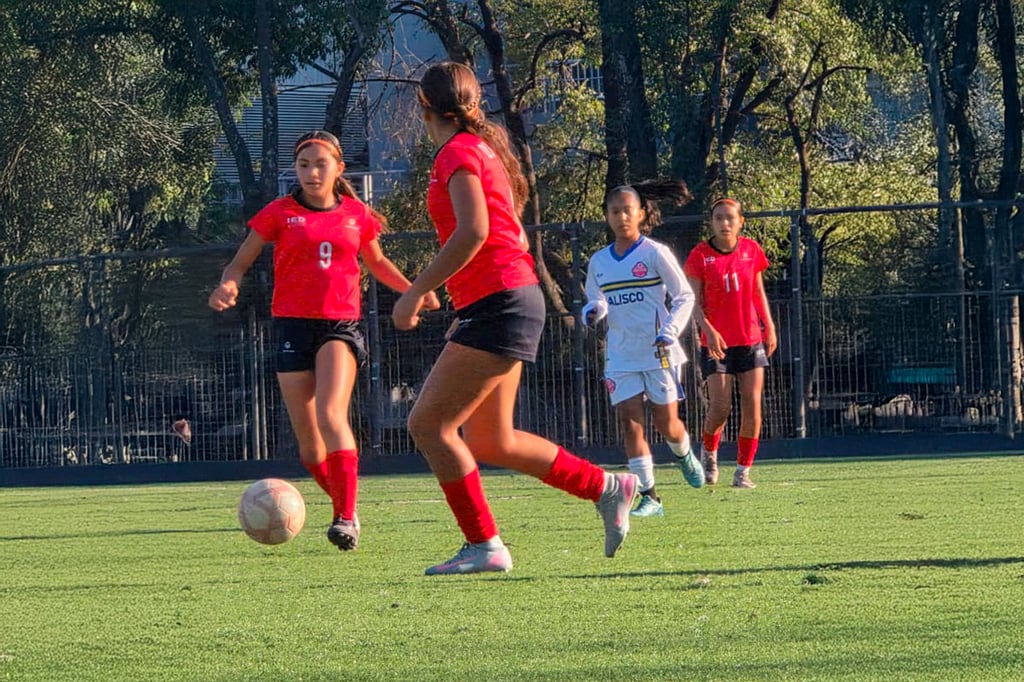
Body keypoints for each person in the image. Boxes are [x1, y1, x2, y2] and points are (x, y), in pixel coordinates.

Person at [391, 61, 639, 575]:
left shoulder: (456, 153)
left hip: (499, 303)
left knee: (428, 425)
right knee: (490, 440)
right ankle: (608, 487)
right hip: (511, 297)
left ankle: (484, 545)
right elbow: (515, 236)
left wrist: (416, 290)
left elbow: (473, 232)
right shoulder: (482, 150)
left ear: (424, 107)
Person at [208, 130, 439, 550]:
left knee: (333, 415)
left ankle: (345, 517)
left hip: (340, 327)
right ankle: (345, 506)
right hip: (292, 327)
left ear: (338, 169)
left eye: (320, 164)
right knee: (309, 445)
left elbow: (378, 261)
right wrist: (228, 285)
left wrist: (414, 290)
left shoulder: (356, 214)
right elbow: (238, 263)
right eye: (303, 165)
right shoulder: (279, 213)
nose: (312, 173)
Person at [582, 181, 706, 518]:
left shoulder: (655, 252)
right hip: (620, 355)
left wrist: (669, 331)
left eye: (627, 210)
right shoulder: (599, 261)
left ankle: (684, 454)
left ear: (641, 213)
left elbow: (684, 296)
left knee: (667, 425)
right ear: (607, 216)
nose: (622, 216)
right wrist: (592, 312)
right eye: (614, 211)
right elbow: (597, 299)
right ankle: (650, 496)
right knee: (630, 423)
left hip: (658, 353)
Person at [683, 197, 777, 488]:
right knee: (721, 405)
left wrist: (769, 326)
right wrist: (708, 331)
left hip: (750, 339)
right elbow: (692, 302)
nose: (724, 223)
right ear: (711, 222)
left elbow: (757, 291)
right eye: (718, 218)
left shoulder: (751, 250)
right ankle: (709, 452)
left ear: (740, 222)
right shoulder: (700, 255)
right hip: (716, 343)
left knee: (752, 405)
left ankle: (742, 472)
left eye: (730, 218)